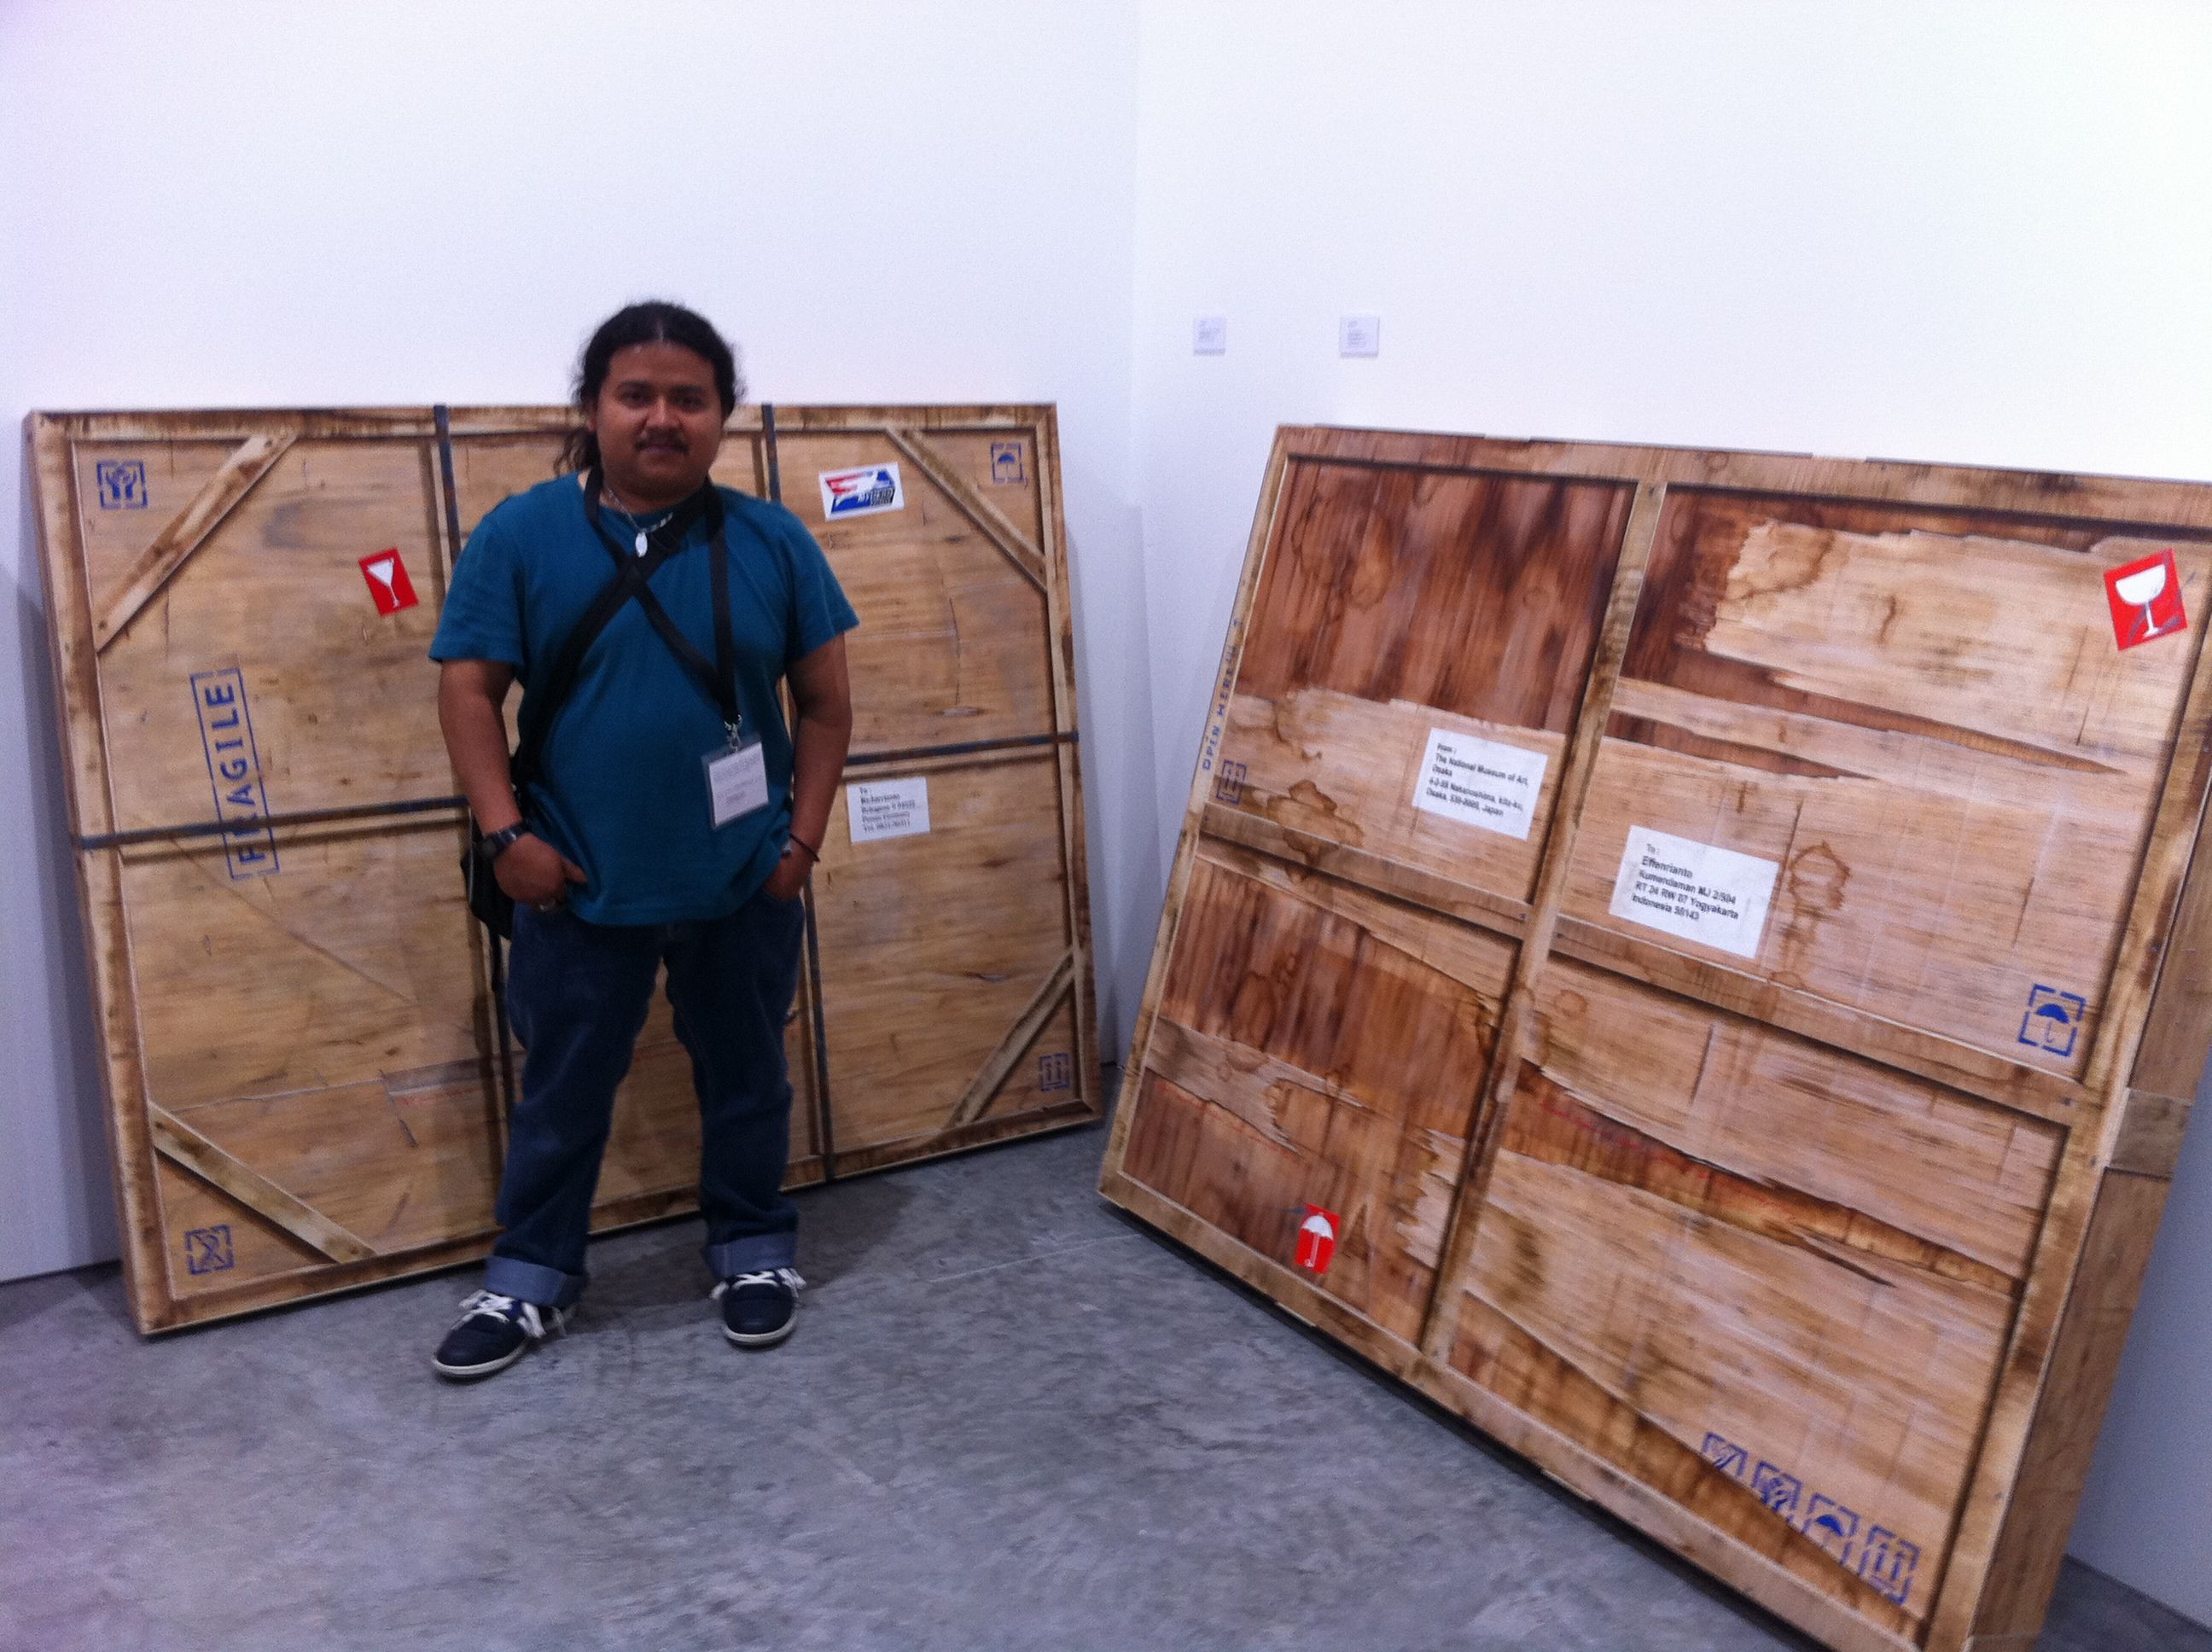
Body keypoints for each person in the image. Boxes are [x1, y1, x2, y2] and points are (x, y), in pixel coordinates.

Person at [427, 300, 857, 1380]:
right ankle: (531, 1275)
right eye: (636, 394)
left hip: (741, 878)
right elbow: (469, 691)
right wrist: (506, 835)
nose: (662, 417)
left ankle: (754, 1249)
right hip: (574, 877)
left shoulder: (774, 541)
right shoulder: (520, 535)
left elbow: (826, 705)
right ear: (593, 407)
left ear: (722, 416)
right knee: (563, 1088)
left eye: (688, 398)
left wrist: (800, 845)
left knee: (750, 1076)